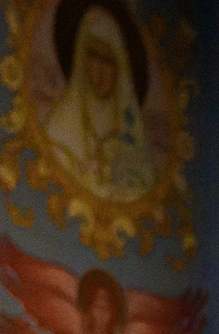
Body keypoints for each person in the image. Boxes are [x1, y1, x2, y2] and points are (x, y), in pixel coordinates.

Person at [47, 0, 155, 200]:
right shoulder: (59, 127)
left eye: (107, 60)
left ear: (120, 68)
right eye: (93, 56)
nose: (99, 71)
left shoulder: (132, 133)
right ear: (82, 59)